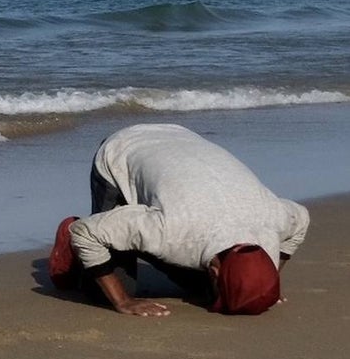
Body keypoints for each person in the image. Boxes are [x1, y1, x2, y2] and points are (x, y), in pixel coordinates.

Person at [49, 123, 310, 317]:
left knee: (200, 289)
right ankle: (69, 239)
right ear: (215, 271)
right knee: (105, 292)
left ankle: (133, 233)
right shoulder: (173, 230)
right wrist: (123, 301)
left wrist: (261, 285)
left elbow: (302, 218)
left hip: (182, 142)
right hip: (123, 149)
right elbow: (87, 233)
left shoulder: (275, 220)